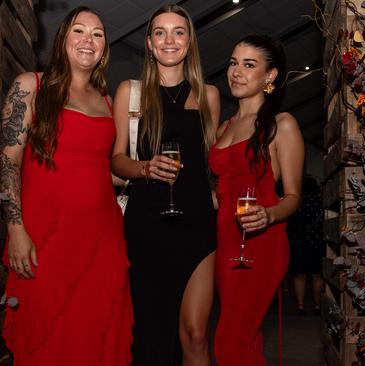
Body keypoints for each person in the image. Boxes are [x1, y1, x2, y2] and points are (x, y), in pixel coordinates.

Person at [0, 7, 132, 365]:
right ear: (63, 40)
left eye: (98, 34)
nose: (89, 40)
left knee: (95, 337)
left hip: (103, 241)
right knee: (44, 338)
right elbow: (8, 162)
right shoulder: (30, 85)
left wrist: (147, 173)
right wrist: (16, 227)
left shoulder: (108, 101)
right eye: (79, 31)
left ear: (105, 47)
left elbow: (102, 170)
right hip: (45, 238)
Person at [110, 4, 220, 366]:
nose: (169, 40)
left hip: (197, 223)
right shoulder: (131, 92)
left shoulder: (209, 96)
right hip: (147, 225)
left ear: (189, 42)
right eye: (160, 32)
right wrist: (144, 167)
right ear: (149, 42)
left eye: (178, 32)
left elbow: (209, 164)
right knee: (152, 334)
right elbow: (115, 160)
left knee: (197, 334)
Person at [208, 35, 304, 366]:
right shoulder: (224, 126)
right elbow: (223, 188)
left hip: (261, 243)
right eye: (234, 63)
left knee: (227, 343)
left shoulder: (282, 125)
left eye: (249, 65)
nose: (237, 72)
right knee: (245, 341)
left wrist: (269, 215)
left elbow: (292, 197)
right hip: (226, 242)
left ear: (270, 76)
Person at [287, 175, 325, 316]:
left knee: (299, 276)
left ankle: (301, 305)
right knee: (317, 276)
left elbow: (291, 225)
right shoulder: (320, 203)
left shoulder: (296, 204)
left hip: (299, 243)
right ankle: (317, 306)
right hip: (317, 243)